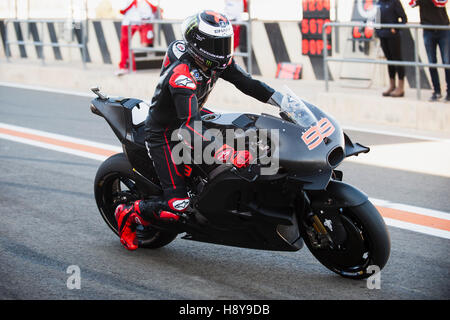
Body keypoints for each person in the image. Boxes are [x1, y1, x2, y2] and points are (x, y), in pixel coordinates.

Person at [114, 10, 284, 251]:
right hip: (165, 132)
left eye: (227, 41)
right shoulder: (181, 75)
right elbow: (189, 129)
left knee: (245, 134)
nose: (224, 49)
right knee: (178, 205)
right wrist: (225, 152)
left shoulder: (211, 59)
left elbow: (247, 83)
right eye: (218, 43)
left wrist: (281, 100)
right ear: (199, 45)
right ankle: (130, 212)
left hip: (193, 114)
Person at [409, 0, 450, 101]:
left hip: (443, 30)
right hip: (428, 31)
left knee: (446, 62)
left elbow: (441, 2)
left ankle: (449, 92)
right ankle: (436, 91)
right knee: (431, 62)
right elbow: (412, 4)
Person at [115, 0, 158, 76]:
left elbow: (122, 9)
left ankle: (126, 66)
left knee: (126, 44)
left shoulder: (143, 3)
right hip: (132, 21)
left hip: (134, 21)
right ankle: (128, 66)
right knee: (126, 44)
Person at [376, 0, 408, 97]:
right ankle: (392, 85)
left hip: (393, 36)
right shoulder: (379, 3)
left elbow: (404, 19)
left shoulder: (394, 2)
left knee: (397, 60)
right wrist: (377, 31)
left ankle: (401, 87)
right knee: (389, 60)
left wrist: (395, 28)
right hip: (383, 35)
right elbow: (377, 19)